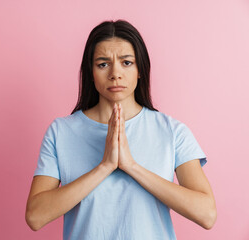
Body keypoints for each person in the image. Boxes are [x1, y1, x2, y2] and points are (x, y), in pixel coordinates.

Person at [25, 19, 217, 239]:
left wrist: (131, 166)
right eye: (103, 64)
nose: (115, 73)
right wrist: (105, 166)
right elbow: (35, 216)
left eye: (126, 62)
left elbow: (207, 214)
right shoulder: (61, 132)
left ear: (140, 70)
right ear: (91, 72)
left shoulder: (172, 131)